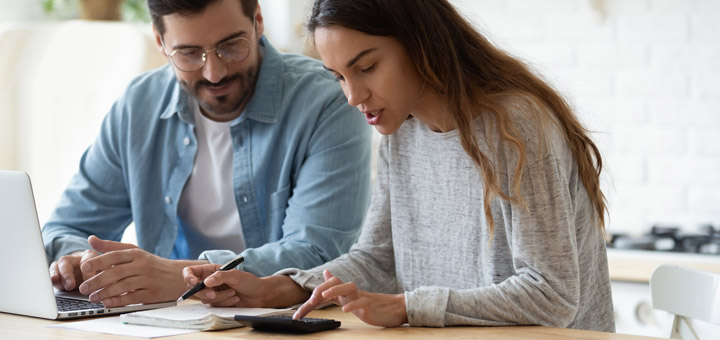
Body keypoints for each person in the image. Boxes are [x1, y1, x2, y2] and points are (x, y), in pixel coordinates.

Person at [180, 0, 615, 332]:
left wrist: (408, 306)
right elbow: (379, 259)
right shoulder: (400, 130)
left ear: (420, 43)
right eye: (338, 76)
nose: (352, 96)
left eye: (366, 67)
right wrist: (281, 287)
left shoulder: (514, 125)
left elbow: (552, 295)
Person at [42, 0, 372, 308]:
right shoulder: (138, 105)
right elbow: (64, 229)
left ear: (258, 21)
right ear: (160, 42)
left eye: (231, 46)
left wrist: (179, 277)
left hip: (277, 319)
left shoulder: (327, 102)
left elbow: (319, 253)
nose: (214, 72)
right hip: (164, 320)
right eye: (189, 54)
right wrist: (81, 262)